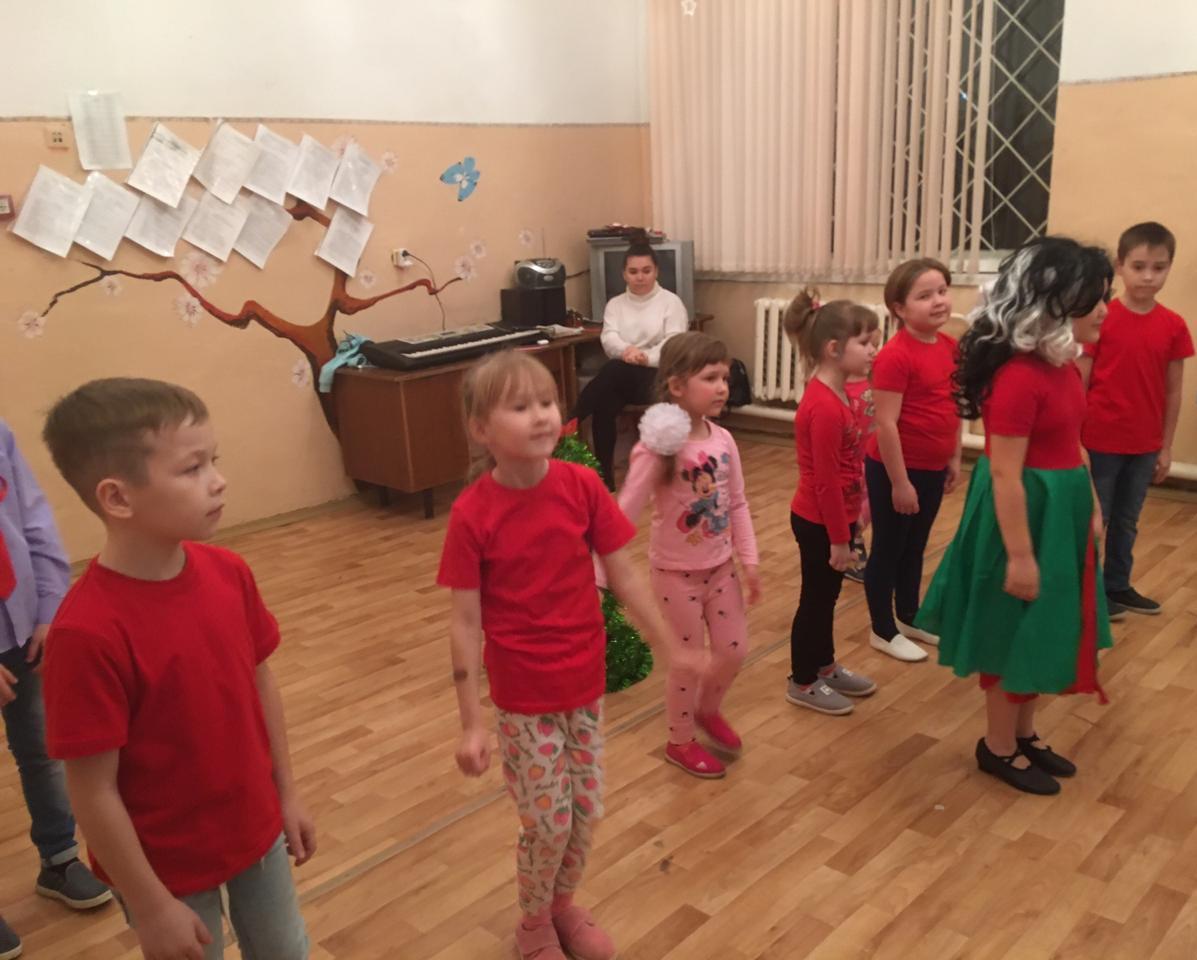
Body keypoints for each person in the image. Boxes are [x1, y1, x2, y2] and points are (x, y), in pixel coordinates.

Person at [40, 378, 314, 960]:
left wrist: (286, 794)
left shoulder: (230, 573)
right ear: (118, 498)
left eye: (215, 460)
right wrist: (151, 904)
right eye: (192, 468)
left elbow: (260, 681)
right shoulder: (85, 634)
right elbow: (92, 789)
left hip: (256, 830)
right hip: (163, 871)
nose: (218, 480)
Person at [438, 351, 678, 960]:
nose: (542, 415)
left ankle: (561, 904)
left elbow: (623, 574)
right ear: (480, 429)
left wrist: (668, 644)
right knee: (548, 821)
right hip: (524, 698)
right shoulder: (472, 514)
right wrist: (471, 724)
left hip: (583, 685)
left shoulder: (581, 486)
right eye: (521, 407)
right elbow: (464, 622)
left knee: (587, 810)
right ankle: (532, 922)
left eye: (547, 401)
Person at [917, 237, 1115, 795]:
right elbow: (1005, 473)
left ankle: (1025, 734)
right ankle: (998, 745)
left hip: (1059, 511)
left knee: (1042, 627)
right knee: (1011, 630)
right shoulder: (1019, 378)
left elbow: (1074, 444)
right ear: (1054, 303)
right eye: (1094, 298)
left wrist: (1092, 506)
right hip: (1022, 519)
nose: (1105, 310)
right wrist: (1021, 556)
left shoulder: (1062, 366)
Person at [614, 332, 761, 778]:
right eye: (710, 378)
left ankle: (707, 710)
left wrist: (749, 559)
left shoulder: (724, 440)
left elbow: (737, 503)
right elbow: (627, 507)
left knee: (734, 650)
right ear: (677, 386)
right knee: (687, 661)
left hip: (720, 568)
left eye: (725, 378)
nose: (722, 387)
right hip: (675, 575)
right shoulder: (659, 448)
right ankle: (679, 741)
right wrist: (604, 560)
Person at [0, 419, 112, 960]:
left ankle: (59, 857)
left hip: (22, 625)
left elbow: (33, 519)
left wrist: (49, 605)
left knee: (42, 751)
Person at [1079, 221, 1193, 618]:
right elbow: (1080, 382)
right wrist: (1075, 440)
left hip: (1144, 445)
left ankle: (1117, 586)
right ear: (1120, 266)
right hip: (1100, 441)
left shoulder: (1174, 325)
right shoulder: (1101, 318)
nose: (1148, 276)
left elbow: (1173, 391)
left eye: (1158, 268)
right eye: (1139, 266)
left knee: (1127, 521)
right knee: (1097, 518)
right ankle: (1088, 591)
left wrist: (1165, 446)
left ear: (1169, 267)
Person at [783, 291, 879, 715]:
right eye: (865, 342)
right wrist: (841, 539)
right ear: (834, 349)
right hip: (818, 521)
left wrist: (852, 521)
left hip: (837, 518)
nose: (873, 350)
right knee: (816, 601)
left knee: (828, 598)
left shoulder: (842, 394)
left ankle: (825, 666)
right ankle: (803, 680)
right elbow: (824, 483)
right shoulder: (823, 406)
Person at [864, 259, 962, 663]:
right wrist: (900, 482)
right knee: (889, 548)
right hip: (895, 470)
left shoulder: (950, 347)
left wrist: (954, 456)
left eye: (942, 291)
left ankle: (908, 616)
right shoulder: (894, 356)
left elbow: (953, 407)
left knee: (915, 545)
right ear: (900, 309)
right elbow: (886, 424)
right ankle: (882, 629)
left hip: (933, 467)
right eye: (924, 296)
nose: (938, 301)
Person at [570, 242, 689, 489]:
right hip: (624, 375)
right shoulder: (615, 304)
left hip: (658, 377)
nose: (640, 277)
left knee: (613, 372)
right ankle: (605, 479)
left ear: (656, 271)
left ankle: (572, 419)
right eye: (633, 272)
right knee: (604, 403)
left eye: (646, 271)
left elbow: (674, 344)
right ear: (624, 274)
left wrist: (645, 357)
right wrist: (627, 352)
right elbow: (609, 338)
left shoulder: (671, 302)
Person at [842, 317, 882, 584]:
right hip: (851, 459)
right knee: (856, 502)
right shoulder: (840, 386)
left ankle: (853, 538)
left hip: (873, 454)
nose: (873, 352)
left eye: (876, 345)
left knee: (873, 499)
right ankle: (851, 544)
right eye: (867, 345)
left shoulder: (875, 379)